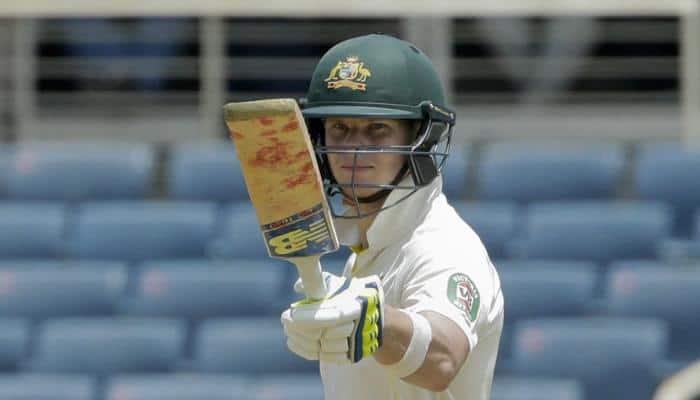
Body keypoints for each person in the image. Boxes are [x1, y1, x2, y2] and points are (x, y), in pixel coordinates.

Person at [280, 33, 504, 399]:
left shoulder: (442, 245)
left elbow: (442, 358)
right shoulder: (368, 253)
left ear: (422, 138)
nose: (354, 149)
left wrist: (371, 320)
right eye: (341, 128)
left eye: (377, 129)